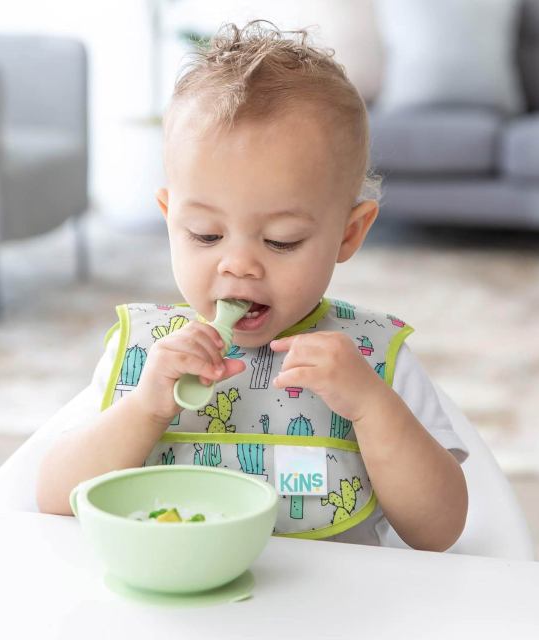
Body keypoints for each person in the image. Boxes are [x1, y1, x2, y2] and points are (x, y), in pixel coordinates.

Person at [37, 21, 468, 551]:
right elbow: (55, 497)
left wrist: (371, 407)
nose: (238, 265)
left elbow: (439, 531)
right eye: (206, 234)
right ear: (171, 219)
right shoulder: (147, 354)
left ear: (349, 233)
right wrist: (145, 408)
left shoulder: (373, 361)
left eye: (282, 240)